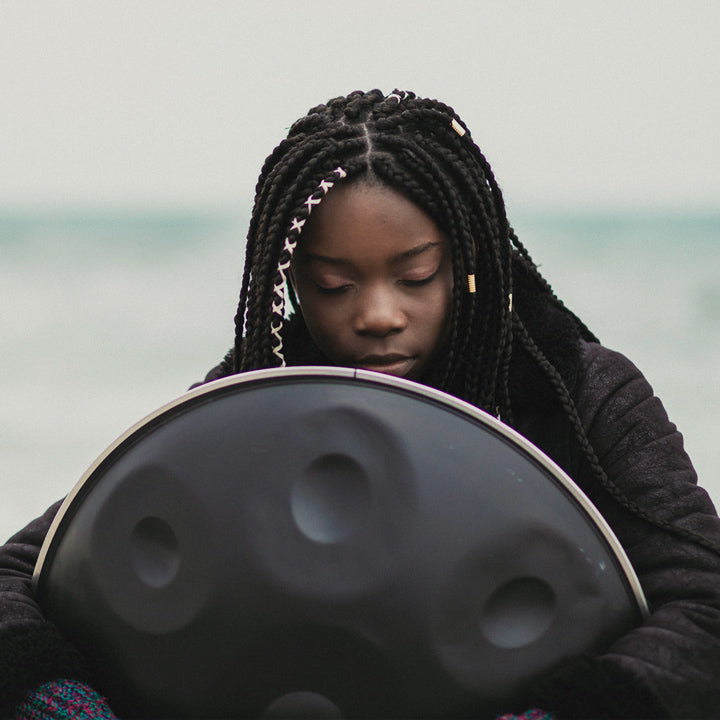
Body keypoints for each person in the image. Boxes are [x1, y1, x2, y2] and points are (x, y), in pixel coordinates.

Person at [2, 89, 720, 720]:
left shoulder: (580, 391)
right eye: (334, 286)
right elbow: (23, 577)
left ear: (466, 259)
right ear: (290, 283)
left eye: (415, 275)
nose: (378, 314)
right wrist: (65, 704)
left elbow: (704, 607)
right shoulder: (255, 389)